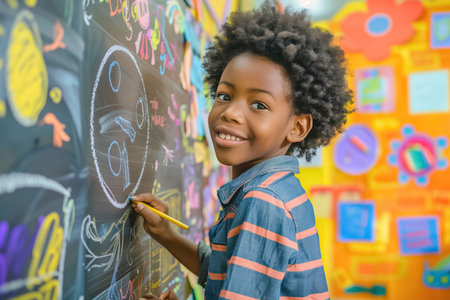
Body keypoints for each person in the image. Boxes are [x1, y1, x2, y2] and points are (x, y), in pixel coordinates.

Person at [131, 1, 353, 299]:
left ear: (297, 127)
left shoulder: (264, 202)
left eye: (259, 105)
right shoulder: (273, 190)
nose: (230, 113)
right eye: (224, 96)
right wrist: (165, 234)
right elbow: (226, 273)